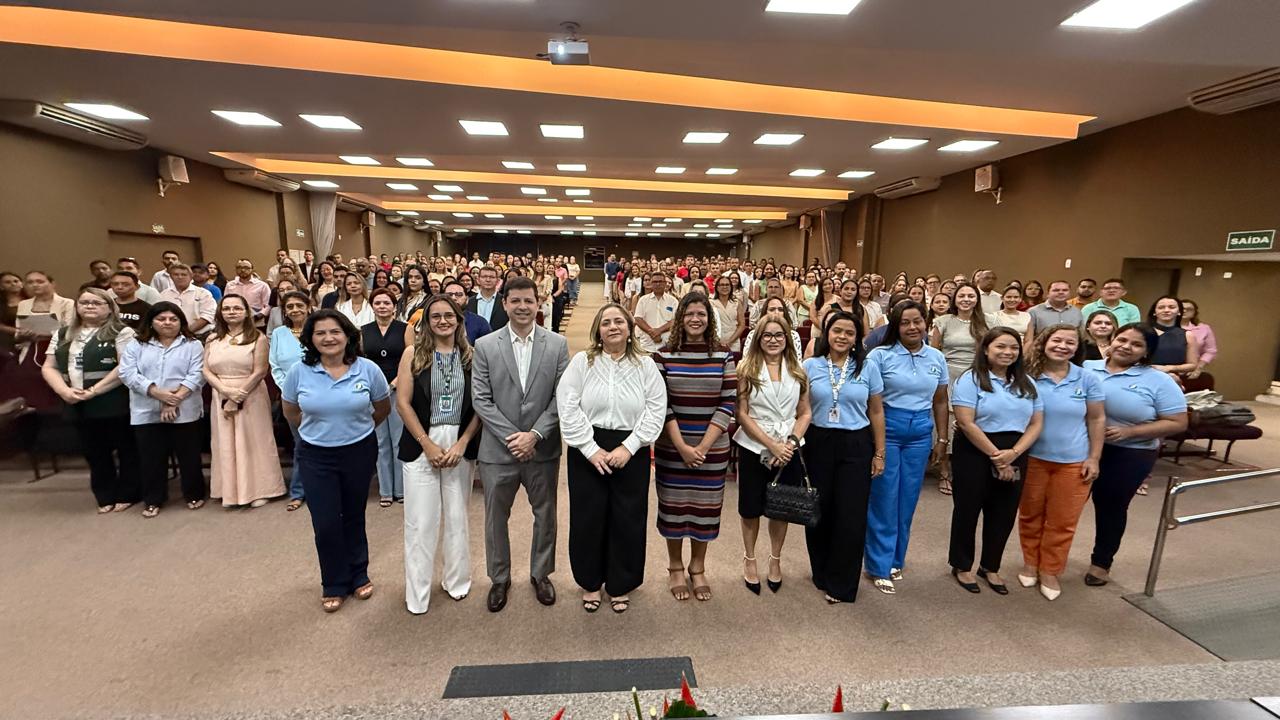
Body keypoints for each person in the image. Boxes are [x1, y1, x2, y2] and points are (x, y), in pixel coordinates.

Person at [557, 304, 665, 613]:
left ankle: (621, 583)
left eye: (619, 321)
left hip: (631, 448)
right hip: (587, 447)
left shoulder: (646, 365)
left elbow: (656, 408)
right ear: (598, 330)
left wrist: (629, 447)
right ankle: (590, 582)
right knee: (588, 517)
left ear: (630, 329)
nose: (613, 326)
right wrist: (590, 449)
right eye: (606, 322)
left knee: (628, 518)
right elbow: (567, 405)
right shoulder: (583, 361)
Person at [471, 276, 570, 613]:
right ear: (505, 304)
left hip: (543, 448)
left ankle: (541, 574)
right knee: (495, 518)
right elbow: (481, 400)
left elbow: (561, 397)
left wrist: (535, 435)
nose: (523, 307)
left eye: (529, 301)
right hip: (498, 451)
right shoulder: (485, 345)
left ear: (538, 303)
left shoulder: (557, 344)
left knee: (545, 514)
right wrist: (514, 437)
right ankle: (499, 578)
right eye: (516, 301)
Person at [281, 310, 391, 612]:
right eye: (320, 333)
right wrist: (318, 429)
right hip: (315, 454)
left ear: (347, 336)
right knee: (326, 521)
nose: (328, 338)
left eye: (335, 332)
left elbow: (382, 407)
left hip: (359, 451)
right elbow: (291, 411)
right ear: (311, 339)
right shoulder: (299, 372)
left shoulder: (368, 369)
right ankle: (333, 582)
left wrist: (357, 428)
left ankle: (359, 574)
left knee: (354, 515)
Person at [396, 294, 483, 614]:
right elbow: (402, 403)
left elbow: (481, 405)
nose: (443, 321)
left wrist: (463, 442)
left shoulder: (472, 356)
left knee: (457, 517)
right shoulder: (413, 354)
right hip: (422, 441)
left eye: (449, 315)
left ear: (459, 320)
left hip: (459, 442)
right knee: (421, 522)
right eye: (436, 316)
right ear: (427, 322)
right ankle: (417, 593)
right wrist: (427, 444)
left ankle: (456, 581)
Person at [1082, 324, 1188, 587]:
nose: (1126, 346)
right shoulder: (1086, 367)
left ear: (1146, 352)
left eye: (1137, 344)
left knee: (1110, 508)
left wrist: (1130, 432)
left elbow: (1178, 422)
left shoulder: (1159, 380)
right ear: (1112, 340)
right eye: (1122, 339)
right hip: (1081, 448)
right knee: (1066, 504)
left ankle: (1101, 563)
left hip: (1129, 453)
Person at [653, 293, 737, 602]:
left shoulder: (724, 355)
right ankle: (675, 566)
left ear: (709, 319)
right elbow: (661, 405)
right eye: (689, 314)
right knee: (673, 508)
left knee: (705, 510)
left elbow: (728, 402)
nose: (695, 319)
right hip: (672, 447)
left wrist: (701, 446)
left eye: (701, 314)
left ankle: (698, 567)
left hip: (712, 449)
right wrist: (682, 447)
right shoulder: (663, 356)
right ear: (680, 319)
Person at [948, 327, 1043, 595]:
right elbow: (966, 422)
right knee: (968, 509)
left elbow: (1036, 423)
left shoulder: (1027, 382)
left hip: (1016, 449)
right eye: (1001, 346)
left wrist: (1013, 454)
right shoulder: (971, 379)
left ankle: (990, 566)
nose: (1008, 352)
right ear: (986, 349)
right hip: (975, 448)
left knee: (1004, 512)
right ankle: (961, 564)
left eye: (1014, 347)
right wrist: (997, 457)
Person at [863, 301, 949, 595]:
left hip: (920, 431)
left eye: (918, 321)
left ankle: (896, 559)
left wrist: (942, 439)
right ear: (895, 326)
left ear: (926, 323)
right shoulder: (880, 356)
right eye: (905, 323)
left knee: (908, 499)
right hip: (888, 428)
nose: (913, 327)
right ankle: (878, 565)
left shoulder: (936, 357)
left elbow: (940, 401)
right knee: (884, 498)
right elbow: (871, 402)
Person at [802, 310, 885, 603]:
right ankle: (821, 571)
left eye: (849, 333)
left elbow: (876, 411)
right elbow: (801, 409)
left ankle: (842, 584)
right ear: (827, 333)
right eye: (837, 330)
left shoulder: (868, 367)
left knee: (851, 515)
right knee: (818, 511)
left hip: (855, 442)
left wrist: (880, 452)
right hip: (817, 441)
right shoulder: (810, 366)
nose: (842, 337)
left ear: (856, 338)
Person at [1018, 324, 1105, 601]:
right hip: (1032, 458)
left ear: (1077, 348)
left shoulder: (1087, 379)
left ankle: (1050, 570)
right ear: (1044, 342)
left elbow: (1096, 419)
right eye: (1057, 340)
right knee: (1030, 515)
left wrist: (1094, 457)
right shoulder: (1026, 376)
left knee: (1063, 520)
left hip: (1073, 460)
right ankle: (1030, 564)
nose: (1062, 346)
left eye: (1070, 343)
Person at [41, 288, 139, 513]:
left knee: (127, 449)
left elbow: (124, 367)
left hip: (113, 401)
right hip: (76, 401)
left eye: (96, 303)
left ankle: (128, 493)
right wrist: (63, 391)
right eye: (84, 302)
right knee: (94, 452)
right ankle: (105, 495)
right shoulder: (62, 333)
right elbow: (49, 367)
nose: (89, 306)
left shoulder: (122, 332)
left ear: (109, 308)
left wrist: (95, 391)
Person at [733, 312, 811, 595]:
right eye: (767, 335)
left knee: (781, 507)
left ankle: (775, 559)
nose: (773, 340)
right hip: (754, 445)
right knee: (750, 508)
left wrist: (789, 443)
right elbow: (742, 414)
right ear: (758, 339)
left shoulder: (798, 370)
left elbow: (805, 413)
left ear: (787, 339)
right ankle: (750, 558)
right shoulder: (746, 368)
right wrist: (771, 444)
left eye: (779, 335)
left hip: (789, 447)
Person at [118, 302, 207, 518]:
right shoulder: (136, 344)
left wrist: (174, 399)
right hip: (146, 408)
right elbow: (127, 373)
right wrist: (157, 393)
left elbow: (198, 373)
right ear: (151, 322)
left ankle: (193, 494)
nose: (167, 323)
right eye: (161, 319)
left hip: (184, 407)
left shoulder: (193, 344)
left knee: (189, 455)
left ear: (181, 322)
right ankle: (153, 499)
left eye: (173, 319)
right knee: (151, 458)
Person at [203, 294, 284, 508]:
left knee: (253, 441)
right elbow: (206, 370)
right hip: (221, 392)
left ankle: (260, 489)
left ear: (247, 312)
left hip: (250, 393)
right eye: (227, 308)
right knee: (225, 442)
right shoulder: (212, 339)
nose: (232, 312)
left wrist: (238, 394)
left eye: (237, 308)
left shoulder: (258, 338)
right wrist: (225, 391)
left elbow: (260, 371)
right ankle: (229, 491)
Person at [929, 283, 990, 494]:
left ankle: (968, 468)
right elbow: (934, 352)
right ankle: (945, 470)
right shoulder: (944, 321)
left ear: (977, 299)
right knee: (946, 421)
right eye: (961, 295)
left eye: (971, 296)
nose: (966, 299)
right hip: (949, 374)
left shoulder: (988, 321)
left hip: (978, 375)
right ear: (954, 299)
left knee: (973, 420)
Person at [361, 288, 407, 507]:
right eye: (378, 303)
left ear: (394, 306)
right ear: (372, 306)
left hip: (399, 388)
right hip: (373, 393)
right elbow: (361, 361)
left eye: (387, 303)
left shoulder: (405, 329)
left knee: (398, 440)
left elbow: (411, 358)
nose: (382, 306)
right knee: (380, 442)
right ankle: (386, 490)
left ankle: (401, 489)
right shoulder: (364, 331)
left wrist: (395, 383)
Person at [269, 291, 312, 511]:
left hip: (319, 395)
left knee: (321, 443)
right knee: (301, 444)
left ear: (308, 306)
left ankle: (320, 488)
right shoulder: (279, 333)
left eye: (299, 305)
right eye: (290, 306)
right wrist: (289, 392)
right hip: (291, 399)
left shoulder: (317, 329)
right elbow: (275, 366)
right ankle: (298, 491)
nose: (295, 310)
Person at [159, 263, 216, 338]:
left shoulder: (203, 294)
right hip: (171, 337)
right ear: (171, 277)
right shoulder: (164, 295)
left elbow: (207, 316)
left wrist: (185, 332)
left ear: (191, 277)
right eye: (176, 274)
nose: (180, 277)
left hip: (200, 336)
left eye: (184, 275)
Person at [1146, 296, 1199, 377]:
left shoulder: (1188, 335)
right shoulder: (1142, 332)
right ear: (1154, 312)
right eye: (1161, 307)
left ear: (1179, 312)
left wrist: (1169, 368)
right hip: (1143, 375)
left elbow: (1192, 365)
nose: (1166, 310)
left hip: (1172, 378)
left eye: (1172, 307)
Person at [1026, 281, 1084, 348]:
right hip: (1041, 350)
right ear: (1048, 294)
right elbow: (1028, 339)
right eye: (1056, 290)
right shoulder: (1033, 312)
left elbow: (1081, 336)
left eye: (1065, 290)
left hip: (1070, 351)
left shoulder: (1076, 312)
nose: (1061, 292)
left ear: (1069, 293)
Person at [633, 272, 678, 354]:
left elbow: (675, 320)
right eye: (655, 282)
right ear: (651, 283)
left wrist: (659, 331)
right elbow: (638, 319)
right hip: (646, 345)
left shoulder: (673, 301)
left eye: (660, 281)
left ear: (665, 283)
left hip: (666, 345)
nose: (658, 284)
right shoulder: (643, 300)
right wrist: (652, 333)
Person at [224, 259, 272, 326]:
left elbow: (268, 305)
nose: (242, 270)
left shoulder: (262, 285)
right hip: (235, 323)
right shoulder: (230, 285)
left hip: (256, 323)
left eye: (246, 267)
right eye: (239, 267)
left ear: (252, 270)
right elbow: (226, 303)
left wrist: (258, 316)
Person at [1180, 299, 1217, 379]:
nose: (1184, 311)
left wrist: (1198, 367)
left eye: (1189, 309)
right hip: (1167, 370)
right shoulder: (1166, 328)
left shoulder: (1204, 328)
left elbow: (1210, 351)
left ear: (1194, 313)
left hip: (1192, 370)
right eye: (1181, 308)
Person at [709, 275, 746, 353]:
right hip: (716, 342)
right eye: (722, 285)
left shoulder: (736, 303)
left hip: (734, 342)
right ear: (717, 287)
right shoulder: (711, 303)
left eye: (727, 285)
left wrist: (729, 341)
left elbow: (742, 325)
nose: (725, 287)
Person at [466, 265, 508, 331]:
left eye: (492, 277)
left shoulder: (505, 301)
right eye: (484, 277)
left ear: (497, 281)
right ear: (478, 280)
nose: (488, 280)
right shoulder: (469, 302)